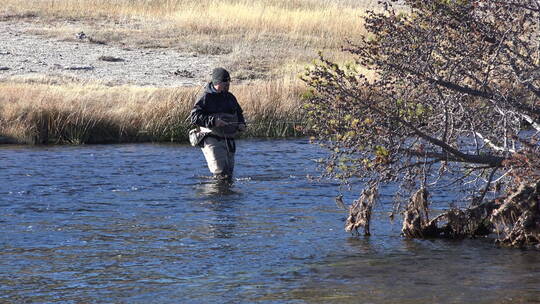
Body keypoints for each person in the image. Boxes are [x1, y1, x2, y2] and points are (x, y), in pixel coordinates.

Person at [189, 67, 246, 181]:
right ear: (217, 82)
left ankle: (227, 197)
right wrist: (214, 121)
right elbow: (194, 117)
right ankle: (216, 197)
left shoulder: (230, 97)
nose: (227, 85)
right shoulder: (205, 97)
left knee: (228, 175)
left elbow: (239, 113)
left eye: (228, 83)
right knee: (220, 174)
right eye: (225, 83)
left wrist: (241, 124)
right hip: (211, 138)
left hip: (228, 139)